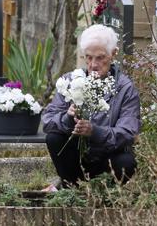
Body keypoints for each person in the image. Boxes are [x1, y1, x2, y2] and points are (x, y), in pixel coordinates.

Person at [42, 24, 140, 186]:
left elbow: (127, 134)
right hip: (75, 157)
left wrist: (95, 132)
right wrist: (68, 118)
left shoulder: (125, 88)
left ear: (113, 54)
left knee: (127, 162)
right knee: (54, 138)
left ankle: (103, 193)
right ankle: (70, 186)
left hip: (107, 158)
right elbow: (47, 121)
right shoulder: (71, 80)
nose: (93, 64)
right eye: (88, 57)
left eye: (100, 57)